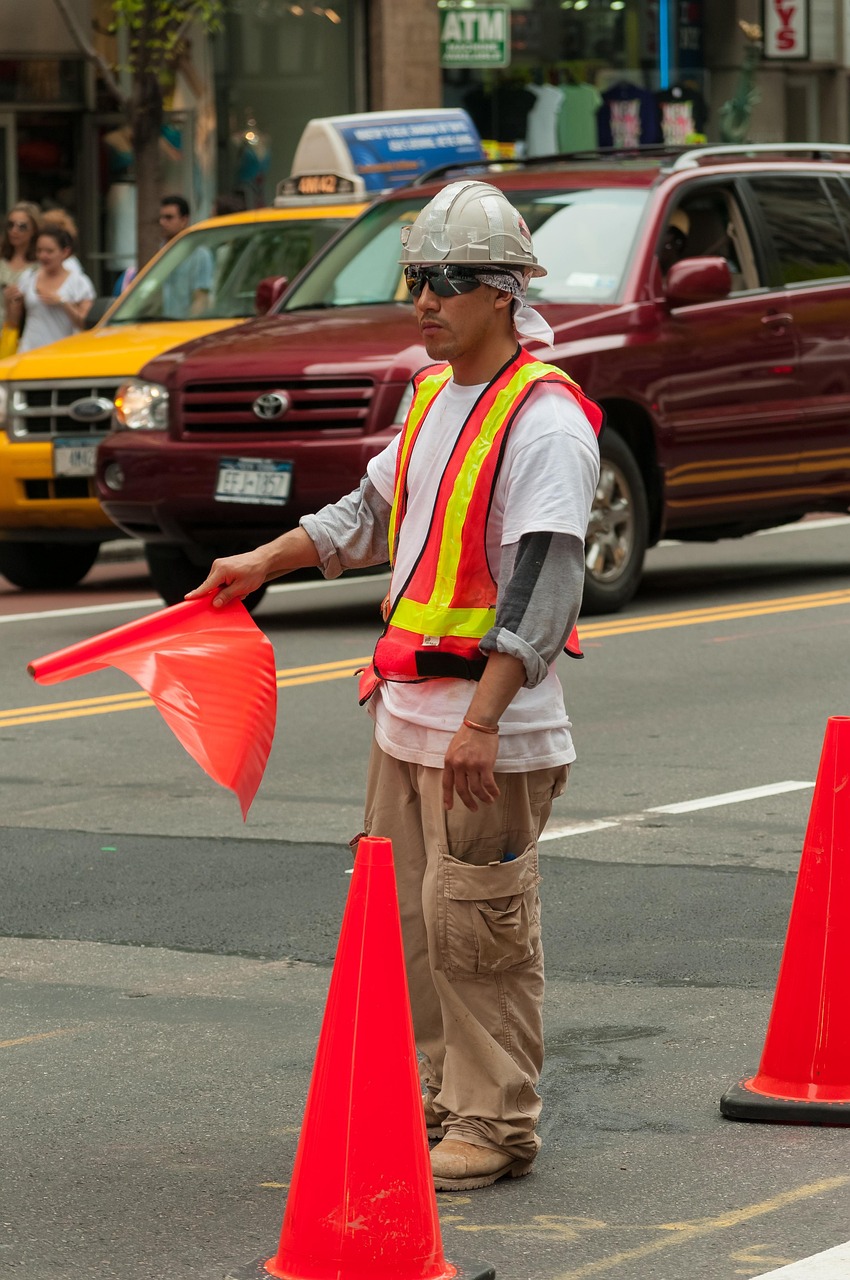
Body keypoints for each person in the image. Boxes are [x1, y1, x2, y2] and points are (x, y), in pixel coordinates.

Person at [186, 181, 601, 1191]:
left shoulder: (545, 421)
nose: (422, 300)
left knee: (478, 930)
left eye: (446, 282)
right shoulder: (430, 397)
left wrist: (484, 719)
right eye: (415, 278)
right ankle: (434, 1093)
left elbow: (547, 583)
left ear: (503, 293)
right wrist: (261, 561)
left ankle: (495, 1118)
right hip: (407, 715)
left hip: (482, 726)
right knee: (412, 928)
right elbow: (363, 516)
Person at [7, 225, 95, 352]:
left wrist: (63, 302)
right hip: (29, 350)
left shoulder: (79, 282)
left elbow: (85, 324)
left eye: (49, 251)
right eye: (39, 250)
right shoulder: (28, 277)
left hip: (64, 352)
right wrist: (10, 300)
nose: (43, 256)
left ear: (65, 252)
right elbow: (13, 322)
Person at [157, 194, 214, 316]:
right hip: (162, 326)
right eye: (161, 218)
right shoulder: (161, 252)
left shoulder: (200, 254)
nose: (162, 222)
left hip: (184, 327)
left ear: (184, 220)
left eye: (169, 218)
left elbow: (200, 299)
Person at [0, 201, 41, 332]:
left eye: (22, 226)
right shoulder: (2, 258)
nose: (14, 231)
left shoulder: (40, 265)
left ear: (34, 230)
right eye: (10, 225)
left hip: (25, 334)